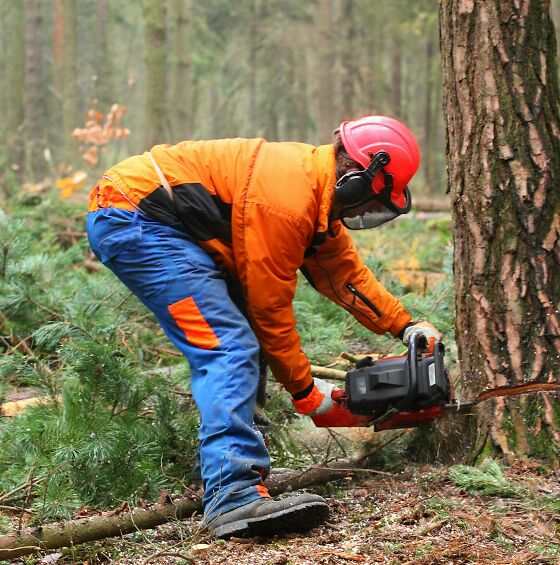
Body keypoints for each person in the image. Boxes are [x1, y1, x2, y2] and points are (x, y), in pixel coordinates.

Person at [85, 115, 442, 539]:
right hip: (137, 219)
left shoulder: (317, 199)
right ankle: (231, 493)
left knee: (238, 342)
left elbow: (346, 276)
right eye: (374, 200)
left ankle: (248, 467)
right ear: (358, 179)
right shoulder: (287, 200)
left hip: (167, 225)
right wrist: (308, 395)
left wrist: (406, 326)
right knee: (229, 347)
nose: (368, 211)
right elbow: (269, 310)